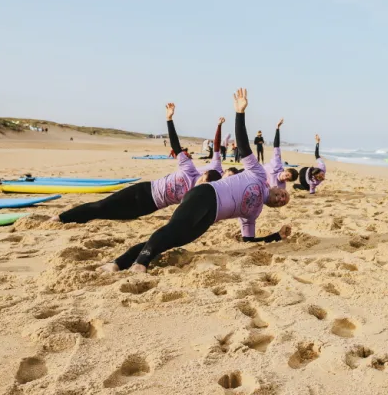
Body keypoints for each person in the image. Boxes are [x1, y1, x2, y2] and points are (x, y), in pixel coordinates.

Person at [101, 88, 292, 273]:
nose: (282, 198)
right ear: (276, 187)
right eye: (284, 194)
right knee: (173, 228)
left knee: (170, 240)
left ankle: (117, 263)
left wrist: (276, 236)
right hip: (206, 195)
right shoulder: (259, 174)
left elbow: (249, 241)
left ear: (275, 207)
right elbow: (242, 146)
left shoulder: (254, 214)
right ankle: (140, 264)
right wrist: (240, 113)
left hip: (209, 218)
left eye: (283, 202)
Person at [52, 105, 222, 225]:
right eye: (203, 179)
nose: (201, 183)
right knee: (102, 205)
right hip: (144, 191)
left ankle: (80, 219)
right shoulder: (189, 169)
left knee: (110, 214)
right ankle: (62, 218)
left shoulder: (197, 196)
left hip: (149, 206)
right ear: (203, 174)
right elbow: (176, 145)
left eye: (205, 184)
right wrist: (169, 119)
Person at [263, 118, 299, 188]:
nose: (286, 178)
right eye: (287, 175)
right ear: (286, 170)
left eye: (288, 179)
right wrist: (277, 128)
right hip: (255, 173)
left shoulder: (282, 186)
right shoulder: (277, 164)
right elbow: (276, 146)